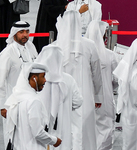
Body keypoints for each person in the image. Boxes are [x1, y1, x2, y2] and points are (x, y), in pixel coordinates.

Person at [55, 10, 103, 150]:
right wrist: (98, 95)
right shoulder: (89, 45)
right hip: (85, 95)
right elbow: (97, 74)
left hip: (62, 95)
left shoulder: (56, 46)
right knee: (84, 130)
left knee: (65, 128)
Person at [0, 21, 38, 148]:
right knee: (12, 136)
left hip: (31, 101)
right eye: (21, 32)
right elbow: (0, 82)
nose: (25, 35)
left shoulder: (31, 47)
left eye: (27, 32)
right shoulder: (7, 53)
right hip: (13, 103)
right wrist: (3, 106)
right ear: (14, 34)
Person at [35, 43, 83, 150]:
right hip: (63, 130)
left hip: (41, 130)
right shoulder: (68, 79)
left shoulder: (37, 80)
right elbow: (78, 101)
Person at [4, 62, 62, 149]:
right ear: (34, 78)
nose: (45, 80)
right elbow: (38, 133)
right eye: (43, 76)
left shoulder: (16, 98)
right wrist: (54, 140)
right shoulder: (34, 100)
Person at [84, 20, 118, 150]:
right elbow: (116, 79)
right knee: (106, 128)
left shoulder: (83, 55)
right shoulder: (111, 56)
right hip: (105, 98)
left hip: (86, 97)